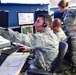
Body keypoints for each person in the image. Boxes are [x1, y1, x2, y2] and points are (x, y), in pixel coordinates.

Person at [58, 0, 76, 69]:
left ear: (62, 7)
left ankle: (75, 68)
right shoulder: (65, 13)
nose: (58, 9)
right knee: (71, 51)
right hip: (69, 35)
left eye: (59, 8)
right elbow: (67, 25)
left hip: (74, 35)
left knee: (74, 52)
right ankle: (73, 65)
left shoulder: (70, 10)